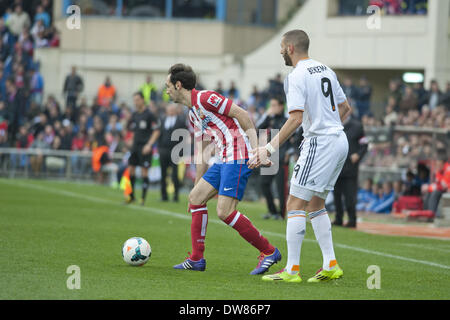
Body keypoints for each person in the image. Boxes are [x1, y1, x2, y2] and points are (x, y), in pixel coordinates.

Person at [249, 29, 352, 283]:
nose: (281, 52)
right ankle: (330, 264)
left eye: (282, 47)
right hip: (339, 140)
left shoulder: (296, 76)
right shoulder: (326, 69)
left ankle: (292, 270)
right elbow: (346, 108)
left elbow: (295, 118)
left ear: (291, 48)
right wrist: (329, 126)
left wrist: (268, 149)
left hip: (321, 142)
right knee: (316, 204)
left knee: (294, 204)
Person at [165, 63, 280, 274]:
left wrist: (256, 150)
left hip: (237, 155)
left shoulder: (206, 98)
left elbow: (242, 114)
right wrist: (198, 184)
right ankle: (197, 259)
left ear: (178, 85)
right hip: (223, 159)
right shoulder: (193, 114)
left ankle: (269, 251)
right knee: (195, 198)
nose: (166, 90)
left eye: (168, 85)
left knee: (224, 212)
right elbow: (202, 149)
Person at [256, 96, 289, 220]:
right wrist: (267, 116)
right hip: (270, 155)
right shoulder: (271, 119)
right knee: (264, 184)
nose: (272, 108)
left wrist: (289, 153)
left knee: (281, 188)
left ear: (281, 106)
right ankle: (272, 211)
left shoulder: (287, 120)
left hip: (281, 157)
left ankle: (281, 214)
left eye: (274, 105)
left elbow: (292, 139)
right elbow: (258, 129)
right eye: (271, 105)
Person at [125, 92, 161, 206]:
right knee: (131, 169)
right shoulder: (135, 115)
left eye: (137, 100)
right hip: (135, 147)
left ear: (142, 100)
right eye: (134, 100)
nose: (135, 102)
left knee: (144, 171)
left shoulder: (149, 115)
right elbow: (130, 130)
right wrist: (130, 139)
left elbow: (157, 131)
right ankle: (131, 196)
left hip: (145, 147)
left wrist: (149, 145)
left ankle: (142, 199)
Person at [332, 114, 368, 228]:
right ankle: (338, 218)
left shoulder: (357, 126)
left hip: (350, 168)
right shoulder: (333, 125)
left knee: (349, 196)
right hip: (335, 167)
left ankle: (352, 220)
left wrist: (358, 154)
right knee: (336, 195)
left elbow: (365, 144)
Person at [158, 103, 187, 202]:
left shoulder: (180, 121)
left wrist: (181, 151)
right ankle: (164, 195)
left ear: (175, 110)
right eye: (169, 109)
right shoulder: (162, 120)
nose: (170, 111)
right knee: (163, 173)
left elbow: (184, 136)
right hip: (163, 150)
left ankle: (176, 196)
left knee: (175, 174)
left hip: (175, 150)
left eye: (172, 109)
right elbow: (159, 134)